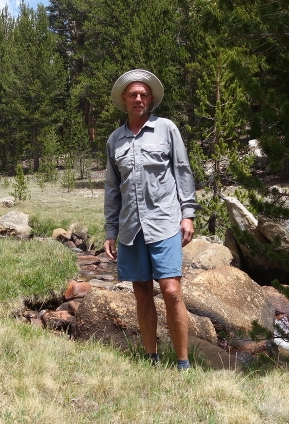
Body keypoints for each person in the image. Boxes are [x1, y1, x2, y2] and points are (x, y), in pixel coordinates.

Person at [103, 69, 199, 370]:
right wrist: (110, 230)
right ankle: (151, 358)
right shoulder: (114, 140)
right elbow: (111, 188)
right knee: (141, 291)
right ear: (124, 99)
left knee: (171, 290)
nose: (138, 98)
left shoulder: (167, 129)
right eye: (133, 94)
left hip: (165, 221)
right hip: (131, 227)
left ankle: (183, 363)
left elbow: (183, 171)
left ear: (151, 98)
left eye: (143, 94)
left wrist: (188, 214)